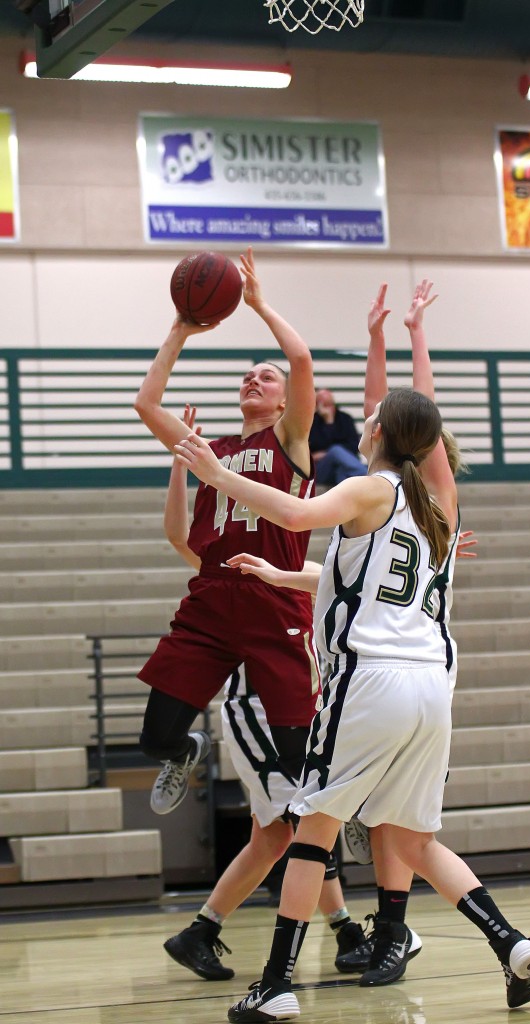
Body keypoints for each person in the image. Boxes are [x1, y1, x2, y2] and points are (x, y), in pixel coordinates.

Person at [174, 343, 530, 1019]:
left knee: (313, 827)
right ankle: (512, 945)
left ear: (374, 433)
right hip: (431, 687)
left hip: (369, 681)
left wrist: (216, 474)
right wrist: (287, 577)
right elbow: (374, 588)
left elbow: (293, 515)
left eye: (371, 414)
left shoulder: (372, 488)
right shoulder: (436, 510)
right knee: (414, 841)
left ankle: (277, 984)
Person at [160, 412, 376, 980]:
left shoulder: (301, 565)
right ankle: (346, 930)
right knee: (304, 815)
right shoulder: (234, 560)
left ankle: (201, 930)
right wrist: (182, 467)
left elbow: (349, 577)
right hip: (255, 703)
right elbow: (182, 537)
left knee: (275, 833)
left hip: (296, 698)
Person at [134, 247, 320, 816]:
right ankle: (185, 749)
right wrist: (179, 329)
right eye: (248, 375)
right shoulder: (208, 451)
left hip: (275, 600)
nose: (253, 379)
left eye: (266, 376)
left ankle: (352, 806)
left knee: (297, 757)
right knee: (154, 737)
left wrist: (259, 304)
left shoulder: (289, 441)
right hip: (212, 600)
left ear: (286, 400)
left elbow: (303, 359)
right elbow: (147, 403)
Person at [340, 279, 475, 986]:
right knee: (393, 822)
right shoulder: (411, 505)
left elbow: (416, 414)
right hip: (411, 670)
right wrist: (383, 338)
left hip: (408, 665)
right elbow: (399, 413)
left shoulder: (423, 501)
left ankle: (393, 929)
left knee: (399, 826)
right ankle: (390, 928)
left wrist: (402, 339)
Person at [309, 388, 367, 486]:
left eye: (330, 404)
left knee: (342, 469)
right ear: (317, 405)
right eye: (323, 404)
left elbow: (354, 447)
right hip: (321, 469)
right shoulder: (312, 422)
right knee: (335, 450)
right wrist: (328, 423)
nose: (328, 408)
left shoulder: (345, 419)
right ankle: (366, 474)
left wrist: (328, 453)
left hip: (341, 466)